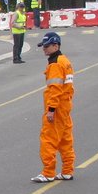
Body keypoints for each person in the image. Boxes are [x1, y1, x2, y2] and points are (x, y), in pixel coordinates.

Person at [31, 31, 75, 183]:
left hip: (56, 107)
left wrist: (51, 110)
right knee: (65, 139)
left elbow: (55, 89)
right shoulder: (64, 60)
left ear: (56, 46)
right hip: (65, 105)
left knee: (48, 139)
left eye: (47, 46)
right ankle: (67, 170)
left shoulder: (55, 64)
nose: (44, 49)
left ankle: (48, 172)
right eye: (43, 46)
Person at [11, 0, 27, 64]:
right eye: (21, 7)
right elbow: (12, 23)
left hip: (22, 31)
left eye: (23, 7)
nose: (22, 8)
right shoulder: (16, 13)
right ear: (18, 7)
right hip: (17, 31)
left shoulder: (23, 13)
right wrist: (20, 26)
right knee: (17, 45)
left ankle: (19, 57)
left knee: (20, 45)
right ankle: (15, 58)